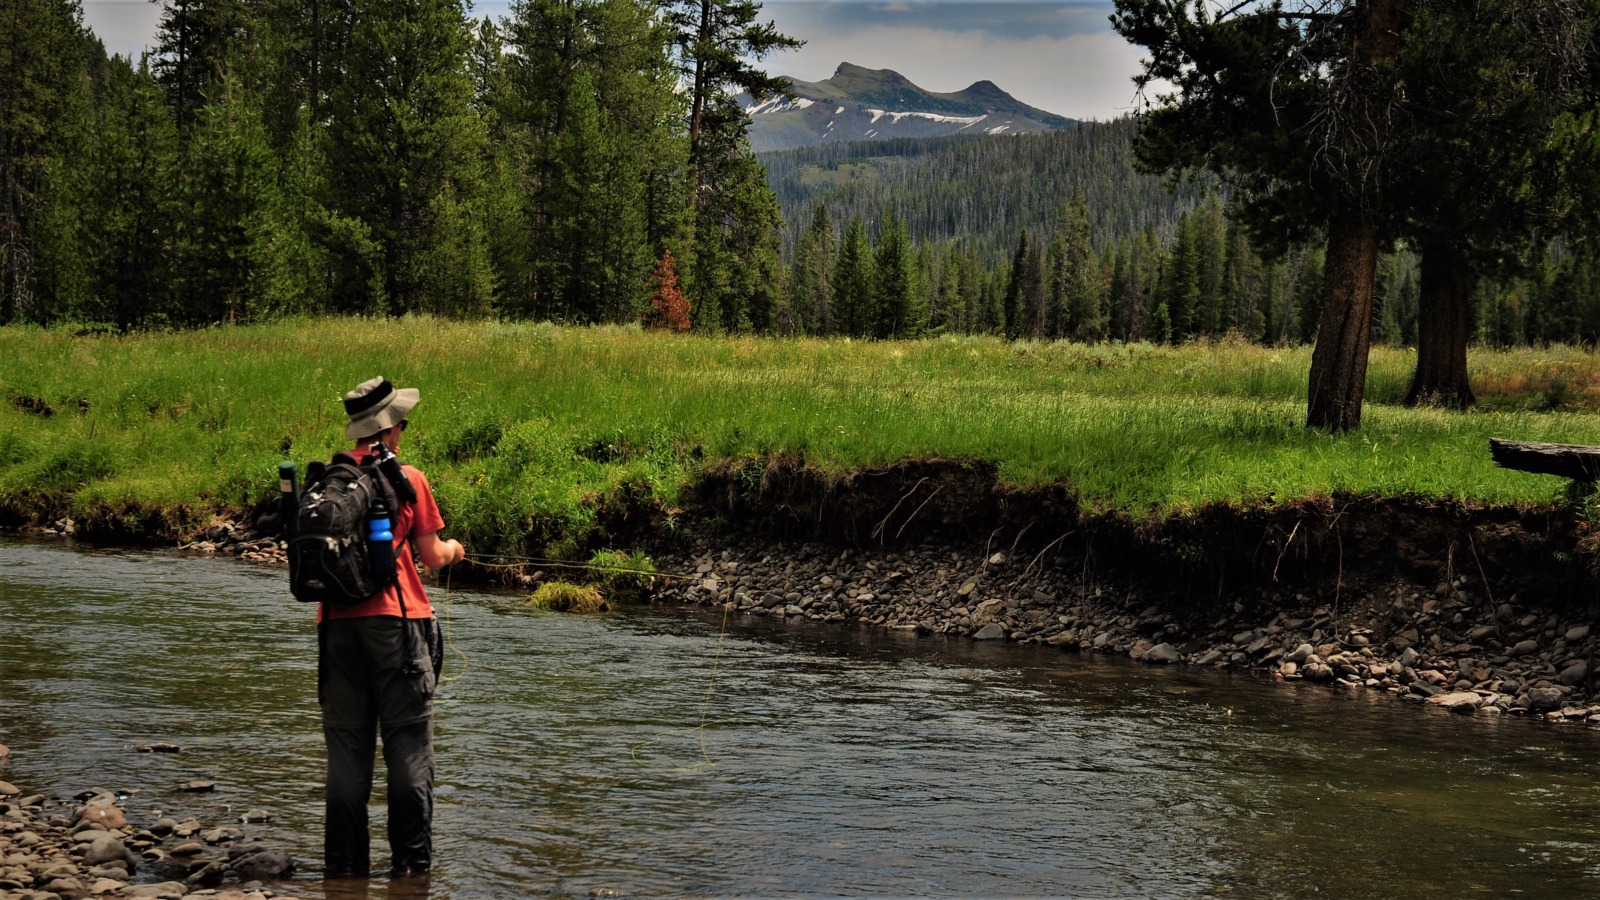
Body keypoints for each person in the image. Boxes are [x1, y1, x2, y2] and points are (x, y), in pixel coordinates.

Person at [319, 376, 465, 879]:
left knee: (346, 753)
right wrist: (454, 551)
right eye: (401, 420)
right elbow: (431, 559)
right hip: (399, 626)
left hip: (335, 628)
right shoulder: (409, 478)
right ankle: (411, 870)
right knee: (407, 747)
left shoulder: (328, 482)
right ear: (389, 428)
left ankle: (342, 872)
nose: (404, 428)